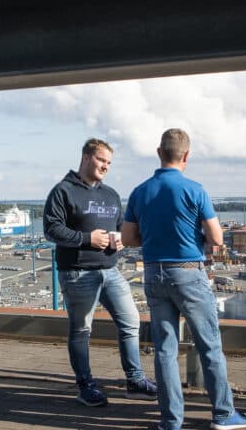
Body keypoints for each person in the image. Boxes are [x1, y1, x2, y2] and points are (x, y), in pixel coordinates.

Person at [122, 129, 246, 430]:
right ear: (186, 156)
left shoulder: (140, 191)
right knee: (209, 344)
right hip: (188, 273)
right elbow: (217, 238)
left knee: (165, 350)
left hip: (154, 272)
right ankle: (223, 414)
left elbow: (128, 238)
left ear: (159, 153)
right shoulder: (195, 190)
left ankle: (170, 422)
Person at [43, 138, 157, 407]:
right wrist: (87, 239)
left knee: (131, 323)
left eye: (109, 162)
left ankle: (135, 381)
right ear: (85, 157)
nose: (105, 166)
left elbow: (122, 228)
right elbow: (51, 229)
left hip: (111, 270)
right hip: (78, 273)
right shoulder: (63, 191)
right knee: (82, 331)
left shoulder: (111, 195)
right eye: (101, 160)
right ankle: (86, 386)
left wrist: (120, 238)